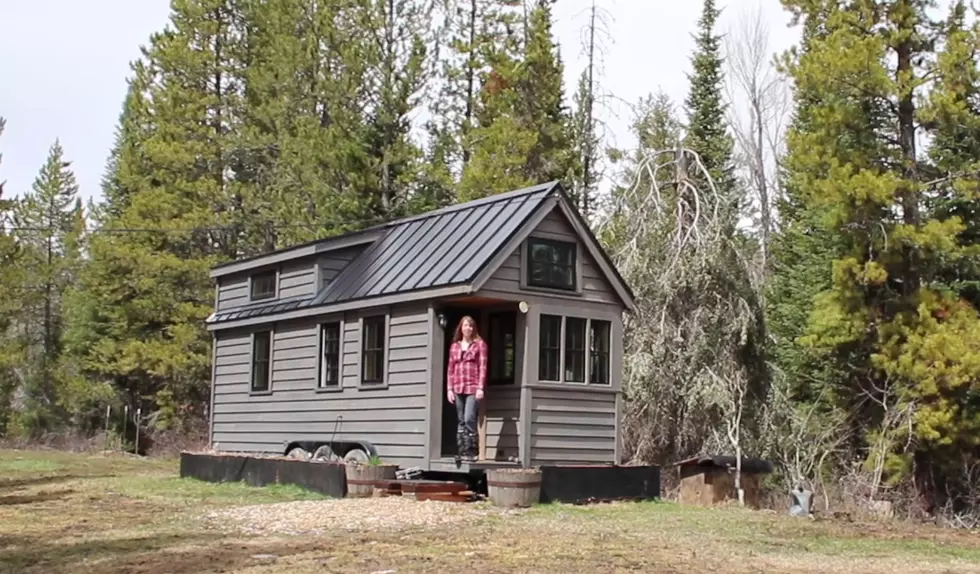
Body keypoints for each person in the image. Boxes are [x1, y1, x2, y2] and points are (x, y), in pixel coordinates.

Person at [446, 315, 487, 463]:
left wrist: (480, 387)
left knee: (470, 417)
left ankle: (471, 451)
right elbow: (451, 368)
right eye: (465, 325)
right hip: (457, 386)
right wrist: (449, 389)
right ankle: (461, 451)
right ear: (461, 328)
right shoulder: (455, 346)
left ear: (473, 328)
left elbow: (482, 367)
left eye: (470, 325)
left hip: (472, 386)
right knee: (461, 419)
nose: (468, 328)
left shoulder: (479, 345)